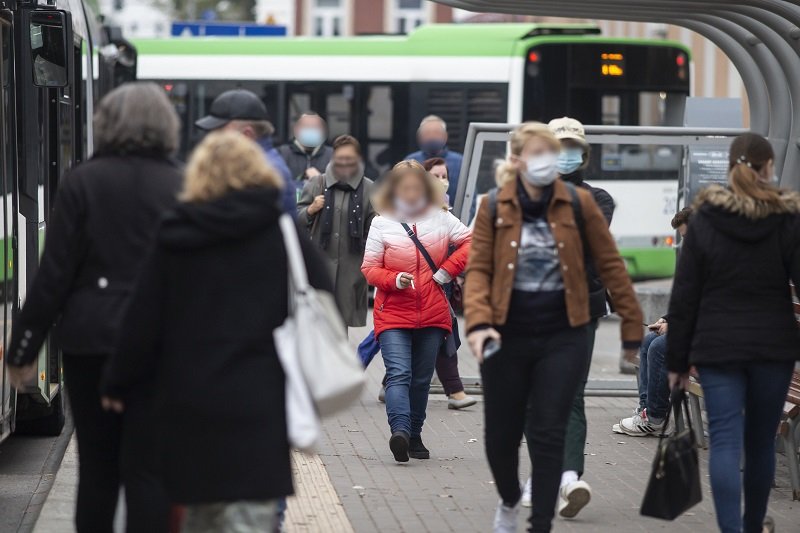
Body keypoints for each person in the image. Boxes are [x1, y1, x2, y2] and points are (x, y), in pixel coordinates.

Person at [101, 131, 335, 532]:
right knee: (252, 515)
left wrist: (116, 383)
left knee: (198, 515)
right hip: (260, 399)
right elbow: (323, 291)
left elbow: (142, 319)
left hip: (190, 401)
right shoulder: (280, 231)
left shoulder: (175, 232)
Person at [6, 82, 182, 533]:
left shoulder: (83, 181)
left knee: (98, 468)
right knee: (150, 468)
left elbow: (54, 274)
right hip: (160, 345)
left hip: (91, 341)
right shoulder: (182, 184)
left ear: (106, 124)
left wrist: (23, 349)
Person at [464, 122, 642, 533]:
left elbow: (612, 264)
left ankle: (539, 523)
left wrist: (632, 324)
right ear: (517, 159)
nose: (548, 160)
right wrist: (477, 322)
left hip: (565, 333)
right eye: (538, 152)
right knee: (501, 437)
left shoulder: (582, 204)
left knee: (548, 431)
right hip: (505, 333)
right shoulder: (493, 206)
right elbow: (478, 271)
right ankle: (510, 498)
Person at [667, 133, 800, 533]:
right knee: (759, 444)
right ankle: (753, 522)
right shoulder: (786, 219)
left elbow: (685, 295)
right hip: (772, 349)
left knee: (725, 439)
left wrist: (676, 361)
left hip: (717, 347)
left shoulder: (705, 219)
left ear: (731, 168)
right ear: (767, 168)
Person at [518, 117, 617, 516]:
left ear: (583, 154)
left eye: (572, 147)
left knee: (570, 394)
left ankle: (569, 477)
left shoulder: (598, 199)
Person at [362, 160, 471, 462]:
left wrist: (447, 271)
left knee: (422, 379)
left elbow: (471, 243)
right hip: (393, 311)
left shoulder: (442, 218)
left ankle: (415, 434)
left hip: (433, 313)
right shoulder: (382, 222)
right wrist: (394, 279)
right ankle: (400, 431)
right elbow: (369, 269)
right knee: (399, 374)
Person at [614, 207, 692, 437]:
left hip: (712, 336)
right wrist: (667, 319)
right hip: (697, 330)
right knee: (649, 341)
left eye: (687, 236)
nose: (685, 243)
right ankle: (646, 410)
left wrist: (676, 327)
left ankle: (657, 418)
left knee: (659, 348)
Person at [297, 135, 376, 328]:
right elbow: (295, 220)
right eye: (340, 159)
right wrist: (310, 210)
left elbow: (377, 228)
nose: (344, 164)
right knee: (314, 326)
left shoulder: (369, 188)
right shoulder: (317, 183)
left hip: (351, 271)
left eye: (349, 159)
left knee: (339, 330)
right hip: (318, 267)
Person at [422, 157, 476, 409]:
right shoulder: (419, 209)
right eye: (436, 176)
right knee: (439, 335)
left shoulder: (446, 207)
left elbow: (465, 242)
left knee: (441, 334)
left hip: (442, 281)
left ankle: (390, 384)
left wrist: (453, 270)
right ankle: (455, 391)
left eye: (445, 176)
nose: (442, 181)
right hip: (423, 283)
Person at [195, 88, 295, 212]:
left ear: (247, 134)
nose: (212, 139)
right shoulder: (257, 165)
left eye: (220, 131)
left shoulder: (263, 172)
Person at [405, 115, 464, 204]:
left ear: (445, 136)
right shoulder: (410, 162)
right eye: (427, 133)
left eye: (436, 133)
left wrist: (462, 217)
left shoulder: (460, 162)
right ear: (420, 137)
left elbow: (469, 196)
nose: (432, 137)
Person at [278, 112, 333, 181]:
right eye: (306, 126)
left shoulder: (332, 155)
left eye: (315, 127)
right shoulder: (282, 153)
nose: (311, 130)